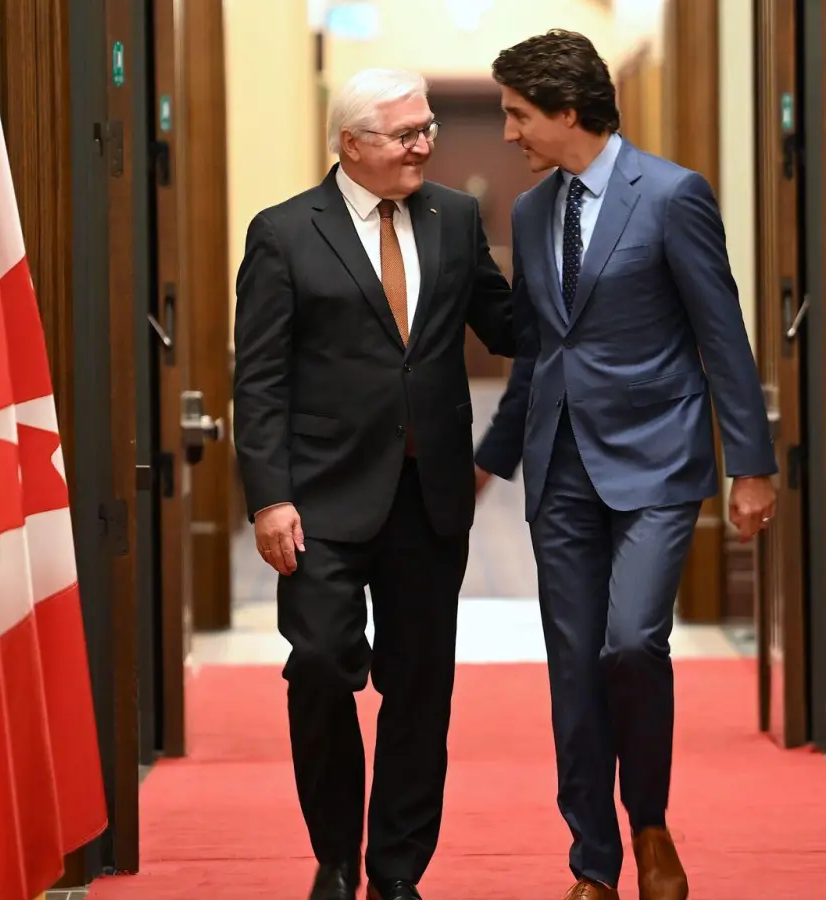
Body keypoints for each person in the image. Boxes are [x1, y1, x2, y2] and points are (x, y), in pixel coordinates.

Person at [474, 30, 778, 900]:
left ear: (568, 111)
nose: (508, 133)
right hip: (559, 470)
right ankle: (593, 865)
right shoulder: (532, 211)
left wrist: (749, 465)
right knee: (572, 669)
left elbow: (722, 332)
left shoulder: (674, 195)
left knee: (633, 643)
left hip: (656, 462)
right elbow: (538, 351)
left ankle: (650, 822)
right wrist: (489, 463)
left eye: (519, 114)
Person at [232, 67, 514, 900]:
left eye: (428, 126)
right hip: (318, 499)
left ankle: (396, 872)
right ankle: (334, 858)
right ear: (351, 144)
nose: (426, 143)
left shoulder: (457, 218)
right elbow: (261, 379)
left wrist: (593, 282)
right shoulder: (284, 233)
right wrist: (268, 496)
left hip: (429, 497)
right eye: (406, 133)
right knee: (319, 665)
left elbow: (503, 325)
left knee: (420, 688)